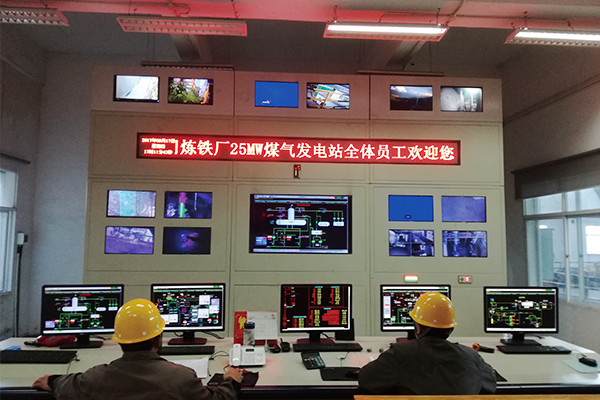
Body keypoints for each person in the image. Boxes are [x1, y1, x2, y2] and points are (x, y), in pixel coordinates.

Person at [32, 299, 243, 400]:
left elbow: (67, 385)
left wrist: (52, 381)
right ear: (158, 339)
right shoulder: (181, 378)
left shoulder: (95, 378)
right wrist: (231, 380)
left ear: (119, 340)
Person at [358, 292, 496, 395]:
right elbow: (491, 385)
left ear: (418, 328)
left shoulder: (399, 354)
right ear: (450, 328)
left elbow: (366, 380)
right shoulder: (471, 357)